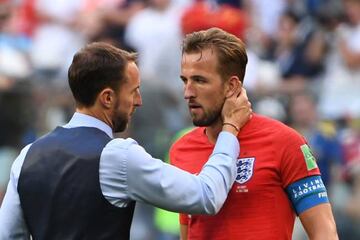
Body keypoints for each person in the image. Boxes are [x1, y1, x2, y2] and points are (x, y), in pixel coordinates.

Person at [0, 42, 252, 239]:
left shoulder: (27, 155)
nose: (139, 101)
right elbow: (206, 196)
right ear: (107, 98)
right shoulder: (117, 155)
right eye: (134, 91)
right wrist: (229, 128)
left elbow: (8, 235)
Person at [170, 28, 338, 240]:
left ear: (232, 86)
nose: (188, 92)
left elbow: (325, 233)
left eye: (200, 80)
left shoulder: (285, 142)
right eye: (185, 80)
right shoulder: (181, 149)